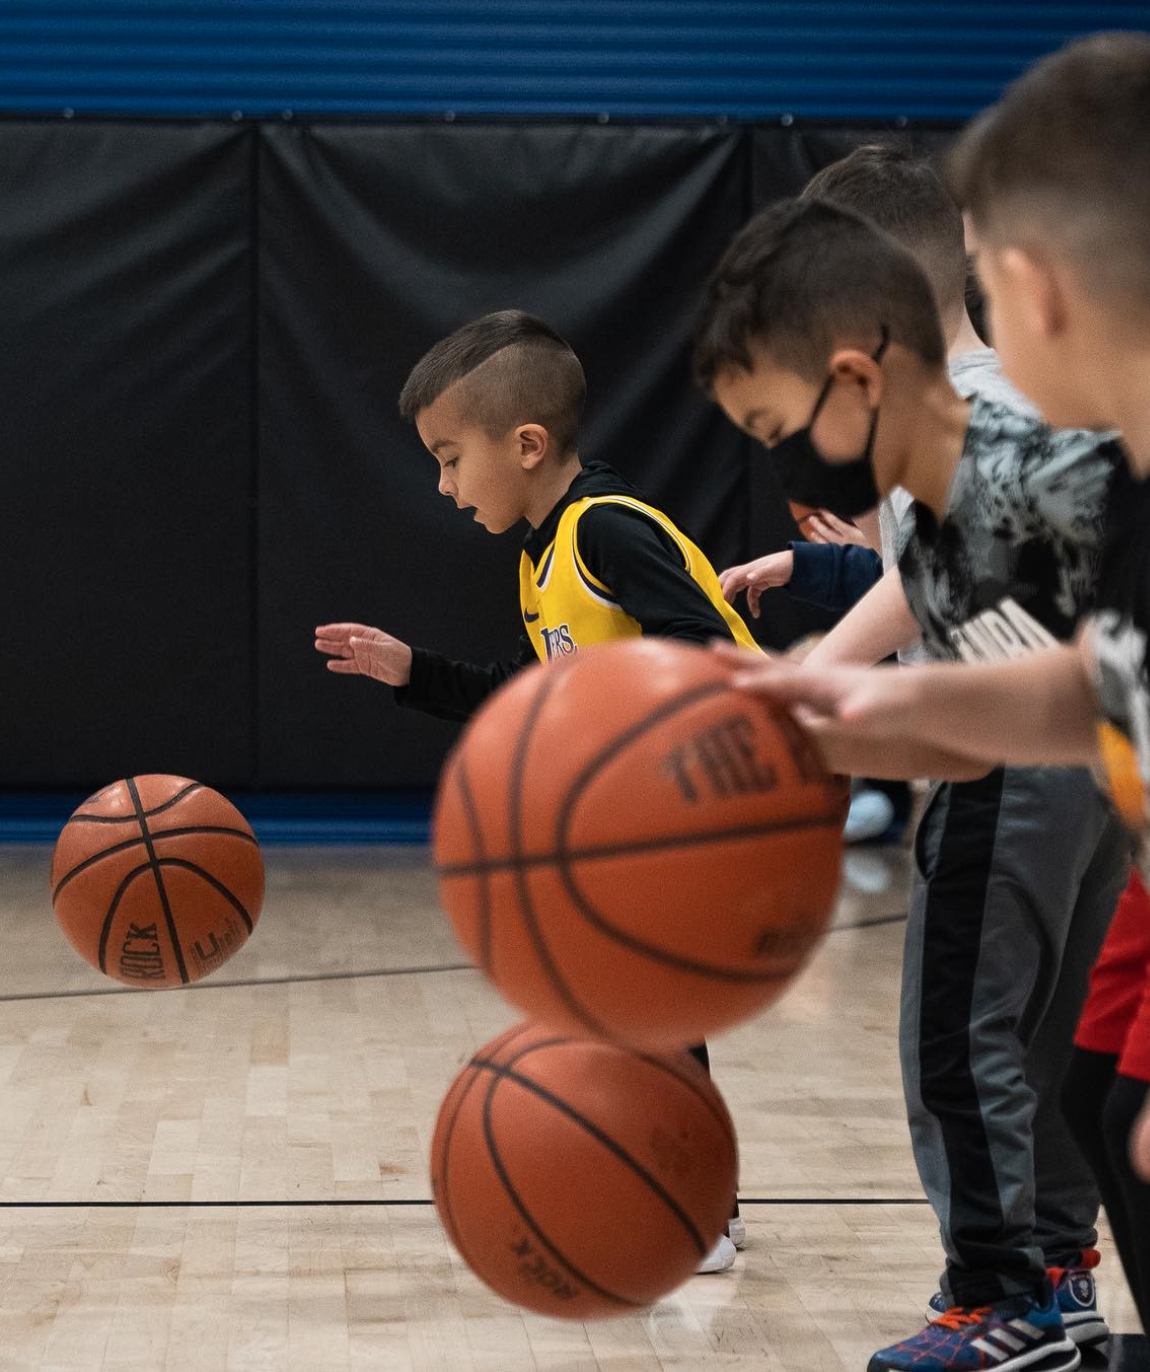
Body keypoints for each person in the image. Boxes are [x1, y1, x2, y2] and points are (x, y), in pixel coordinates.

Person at [719, 33, 1150, 1343]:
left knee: (965, 1051)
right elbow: (1085, 660)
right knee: (1081, 1081)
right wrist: (859, 692)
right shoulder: (1072, 453)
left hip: (1017, 796)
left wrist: (870, 698)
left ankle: (995, 1295)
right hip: (1084, 790)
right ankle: (1053, 1281)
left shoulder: (972, 429)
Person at [314, 308, 759, 1273]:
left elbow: (714, 652)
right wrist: (412, 671)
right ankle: (670, 1191)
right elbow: (527, 695)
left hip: (724, 800)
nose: (440, 484)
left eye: (447, 456)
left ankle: (701, 1215)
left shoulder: (606, 529)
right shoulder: (540, 557)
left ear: (525, 443)